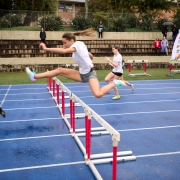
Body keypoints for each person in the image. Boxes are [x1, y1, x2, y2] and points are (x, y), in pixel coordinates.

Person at [26, 28, 125, 98]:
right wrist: (89, 56)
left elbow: (64, 52)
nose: (63, 45)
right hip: (81, 74)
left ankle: (114, 83)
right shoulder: (77, 47)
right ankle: (34, 76)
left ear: (72, 40)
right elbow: (88, 54)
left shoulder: (78, 44)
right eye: (62, 43)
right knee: (59, 70)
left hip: (90, 74)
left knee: (98, 94)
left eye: (65, 43)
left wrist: (46, 48)